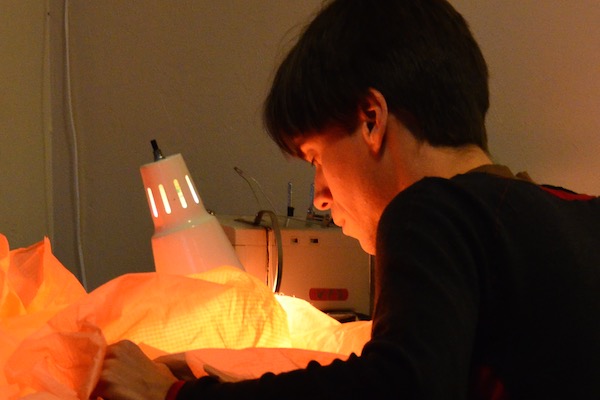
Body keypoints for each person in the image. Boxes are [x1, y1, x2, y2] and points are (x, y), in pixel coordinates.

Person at [93, 0, 600, 399]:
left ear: (372, 120)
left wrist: (176, 393)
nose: (320, 196)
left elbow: (397, 387)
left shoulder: (431, 209)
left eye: (316, 158)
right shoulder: (575, 212)